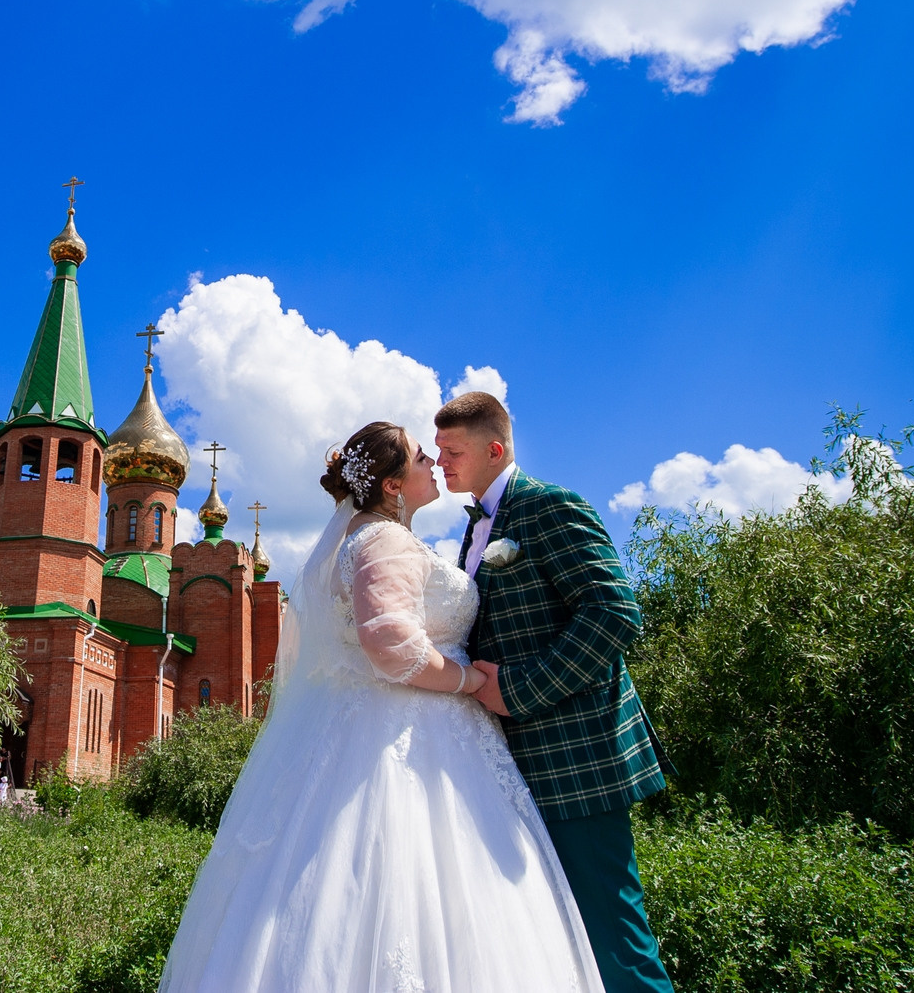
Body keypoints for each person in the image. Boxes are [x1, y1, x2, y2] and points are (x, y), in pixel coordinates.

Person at [158, 422, 603, 993]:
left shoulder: (363, 538)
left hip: (384, 727)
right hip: (413, 738)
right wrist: (468, 681)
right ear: (394, 484)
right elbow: (391, 644)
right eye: (422, 456)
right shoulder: (384, 540)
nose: (433, 464)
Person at [436, 390, 673, 993]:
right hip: (510, 768)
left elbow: (613, 612)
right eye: (436, 451)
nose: (441, 462)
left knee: (612, 940)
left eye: (453, 450)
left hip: (576, 760)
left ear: (495, 449)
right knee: (553, 942)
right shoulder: (474, 532)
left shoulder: (549, 506)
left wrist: (517, 690)